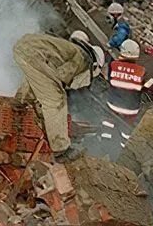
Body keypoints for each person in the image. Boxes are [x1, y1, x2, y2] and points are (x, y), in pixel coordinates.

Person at [12, 31, 105, 161]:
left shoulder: (73, 50)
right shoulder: (83, 59)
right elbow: (61, 76)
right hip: (33, 53)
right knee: (57, 99)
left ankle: (19, 103)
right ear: (95, 66)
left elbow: (46, 78)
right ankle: (61, 149)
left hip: (25, 46)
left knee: (39, 80)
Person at [107, 39, 153, 119]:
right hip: (132, 110)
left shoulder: (113, 65)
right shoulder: (141, 71)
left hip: (112, 105)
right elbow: (146, 87)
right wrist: (151, 82)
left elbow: (110, 79)